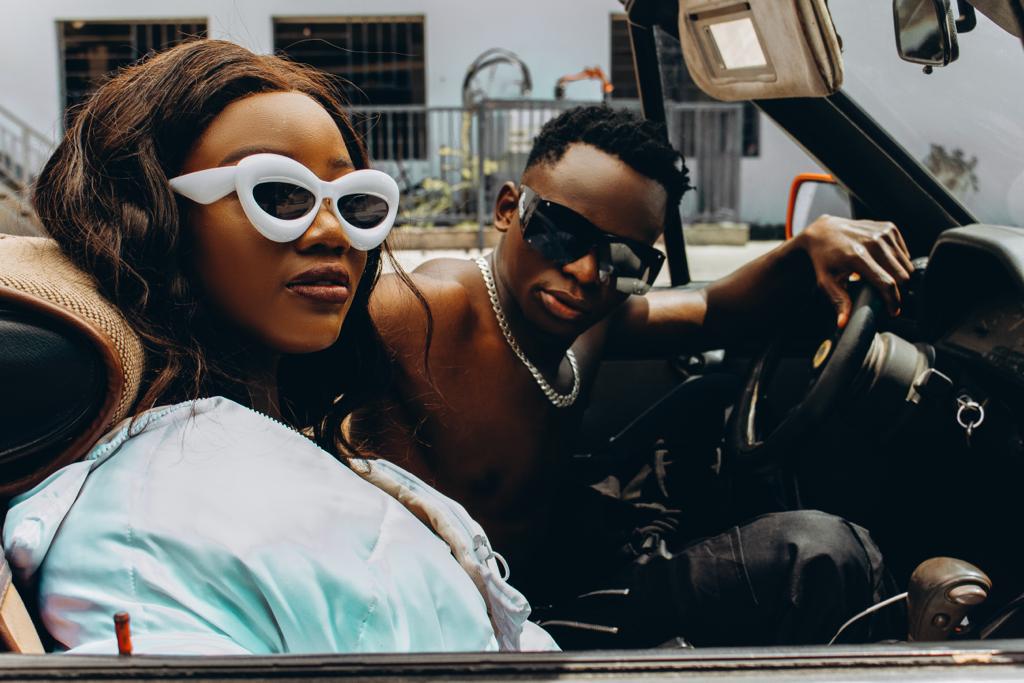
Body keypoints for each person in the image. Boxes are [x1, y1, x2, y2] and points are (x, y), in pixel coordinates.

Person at [1, 40, 556, 655]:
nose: (332, 232)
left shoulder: (259, 443)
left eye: (358, 203)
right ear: (153, 213)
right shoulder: (146, 529)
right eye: (278, 195)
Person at [359, 106, 913, 648]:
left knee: (813, 556)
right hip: (458, 633)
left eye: (623, 261)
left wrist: (809, 244)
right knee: (819, 554)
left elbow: (711, 310)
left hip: (547, 593)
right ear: (508, 209)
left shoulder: (592, 324)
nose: (586, 273)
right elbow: (311, 349)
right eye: (560, 233)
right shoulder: (429, 308)